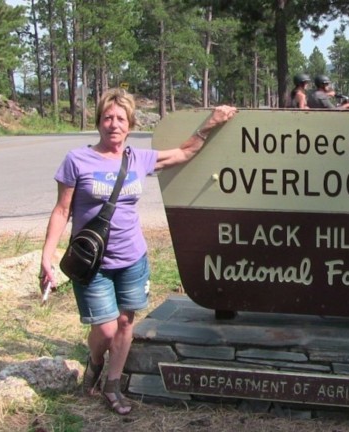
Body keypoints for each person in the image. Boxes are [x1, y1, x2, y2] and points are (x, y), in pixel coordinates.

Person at [38, 88, 237, 415]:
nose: (113, 124)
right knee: (104, 329)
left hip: (132, 259)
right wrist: (47, 255)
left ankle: (113, 386)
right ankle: (95, 361)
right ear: (98, 122)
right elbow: (62, 211)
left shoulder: (137, 159)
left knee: (126, 323)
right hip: (92, 264)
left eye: (120, 119)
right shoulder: (77, 160)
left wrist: (211, 123)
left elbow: (185, 153)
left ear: (129, 124)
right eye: (107, 118)